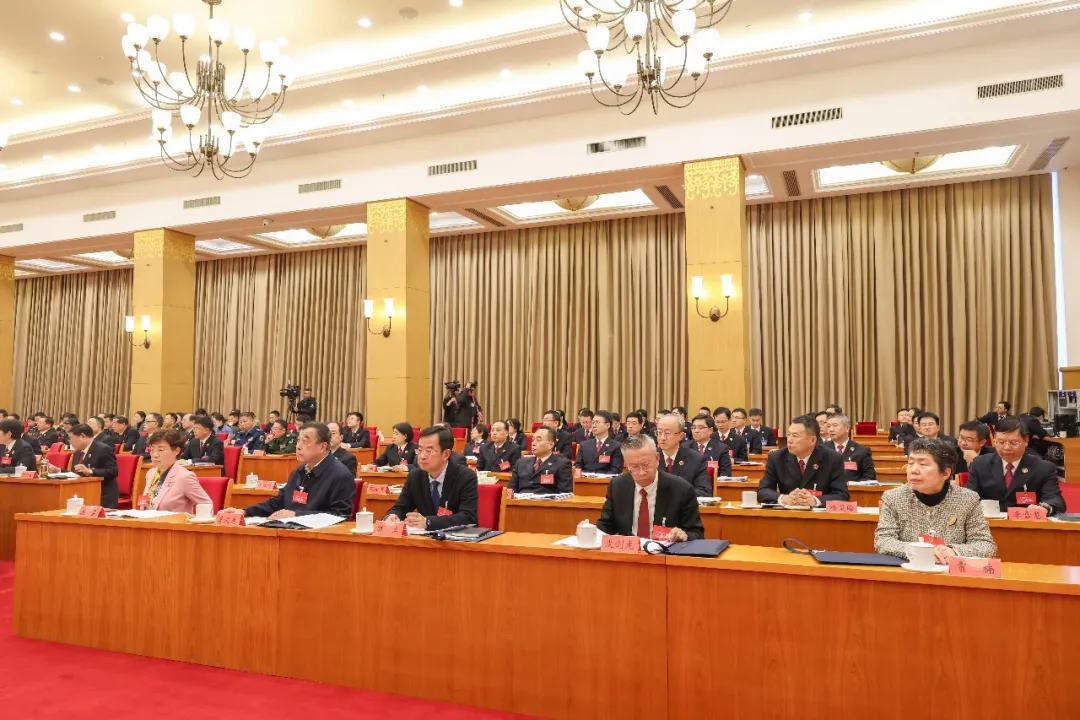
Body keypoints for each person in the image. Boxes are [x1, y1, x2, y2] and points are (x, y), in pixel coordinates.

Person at [875, 437, 996, 562]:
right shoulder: (893, 497)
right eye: (910, 463)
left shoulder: (968, 499)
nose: (913, 470)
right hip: (909, 568)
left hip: (948, 570)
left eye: (923, 464)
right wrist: (920, 550)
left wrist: (953, 551)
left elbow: (985, 544)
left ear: (945, 473)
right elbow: (883, 540)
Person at [219, 423, 355, 520]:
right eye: (298, 440)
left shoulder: (340, 475)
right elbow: (277, 502)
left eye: (305, 441)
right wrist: (244, 511)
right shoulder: (299, 471)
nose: (298, 446)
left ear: (322, 447)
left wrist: (296, 515)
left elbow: (340, 516)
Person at [596, 434, 704, 541]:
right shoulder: (617, 486)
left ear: (657, 459)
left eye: (646, 465)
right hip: (629, 549)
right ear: (626, 464)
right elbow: (606, 525)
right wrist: (591, 531)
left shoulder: (681, 489)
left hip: (666, 550)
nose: (642, 472)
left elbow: (697, 533)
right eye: (634, 466)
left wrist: (683, 535)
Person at [965, 416, 1065, 516]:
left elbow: (1055, 499)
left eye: (1013, 442)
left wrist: (1044, 507)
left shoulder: (1044, 468)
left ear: (1026, 440)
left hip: (1025, 522)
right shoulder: (980, 464)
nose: (1006, 447)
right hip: (988, 523)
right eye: (1001, 442)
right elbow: (969, 496)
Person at [385, 426, 479, 530]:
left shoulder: (465, 477)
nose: (422, 456)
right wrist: (393, 516)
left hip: (456, 537)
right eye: (420, 450)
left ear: (445, 454)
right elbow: (400, 507)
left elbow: (468, 517)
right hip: (423, 538)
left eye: (428, 451)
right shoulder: (415, 476)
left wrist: (428, 522)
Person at [757, 414, 849, 507]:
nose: (789, 440)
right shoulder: (776, 457)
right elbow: (762, 491)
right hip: (788, 513)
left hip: (818, 515)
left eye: (795, 436)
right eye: (789, 434)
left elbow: (842, 495)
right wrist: (784, 498)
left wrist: (815, 501)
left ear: (812, 440)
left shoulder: (833, 458)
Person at [140, 428, 214, 512]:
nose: (155, 454)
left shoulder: (185, 477)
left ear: (176, 450)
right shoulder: (151, 473)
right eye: (152, 449)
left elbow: (207, 505)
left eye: (161, 450)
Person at [654, 414, 712, 497]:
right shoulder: (649, 457)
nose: (662, 437)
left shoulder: (696, 459)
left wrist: (677, 493)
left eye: (667, 433)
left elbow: (704, 492)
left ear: (681, 436)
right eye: (659, 432)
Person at [69, 423, 119, 508]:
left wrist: (91, 471)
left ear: (83, 436)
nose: (70, 442)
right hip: (82, 492)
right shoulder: (77, 452)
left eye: (71, 438)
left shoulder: (103, 449)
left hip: (102, 494)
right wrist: (58, 470)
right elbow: (75, 473)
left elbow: (113, 471)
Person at [508, 427, 572, 494]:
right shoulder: (521, 463)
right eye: (533, 439)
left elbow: (565, 494)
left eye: (538, 440)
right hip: (521, 499)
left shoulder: (562, 464)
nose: (533, 443)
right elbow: (510, 490)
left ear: (551, 444)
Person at [825, 414, 876, 483]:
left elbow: (869, 477)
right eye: (828, 426)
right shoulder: (822, 449)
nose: (831, 429)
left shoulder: (862, 451)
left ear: (847, 428)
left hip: (853, 489)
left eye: (835, 425)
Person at [575, 410, 624, 474]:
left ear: (607, 425)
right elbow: (578, 466)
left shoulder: (616, 446)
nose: (593, 425)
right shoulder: (584, 445)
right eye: (593, 422)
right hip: (585, 478)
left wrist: (598, 477)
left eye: (597, 422)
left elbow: (616, 470)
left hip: (606, 479)